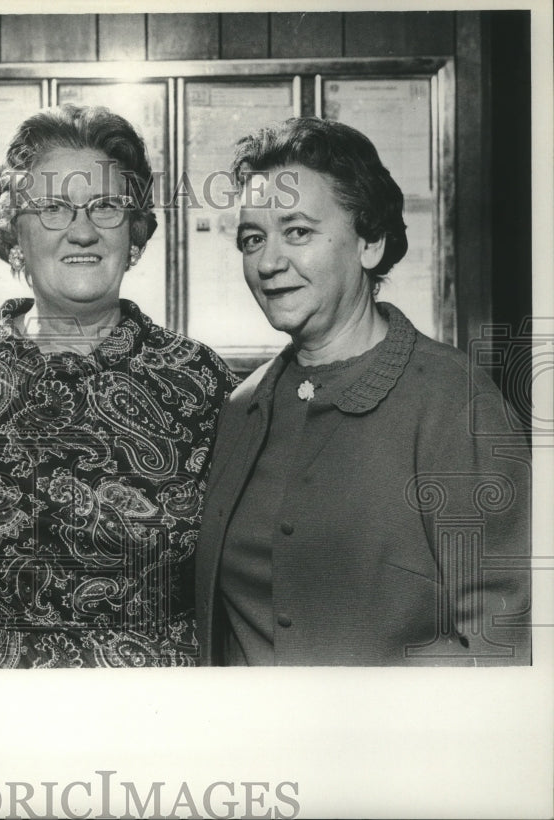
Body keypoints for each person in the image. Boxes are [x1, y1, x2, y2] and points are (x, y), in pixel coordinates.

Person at [0, 104, 237, 668]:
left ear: (135, 232)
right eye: (53, 208)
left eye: (106, 207)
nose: (82, 230)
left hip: (158, 724)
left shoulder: (203, 384)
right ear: (15, 233)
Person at [195, 117, 531, 666]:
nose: (268, 262)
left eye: (298, 231)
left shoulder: (455, 402)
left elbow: (506, 639)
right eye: (253, 239)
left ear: (370, 243)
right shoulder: (242, 407)